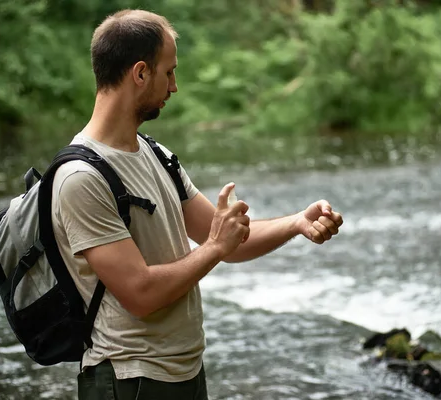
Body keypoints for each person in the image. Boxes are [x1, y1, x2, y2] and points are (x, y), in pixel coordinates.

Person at [51, 9, 343, 400]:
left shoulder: (156, 155)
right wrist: (214, 248)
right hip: (128, 379)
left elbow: (229, 239)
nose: (174, 86)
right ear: (140, 73)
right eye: (168, 72)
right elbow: (140, 294)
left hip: (184, 371)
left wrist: (297, 222)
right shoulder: (80, 179)